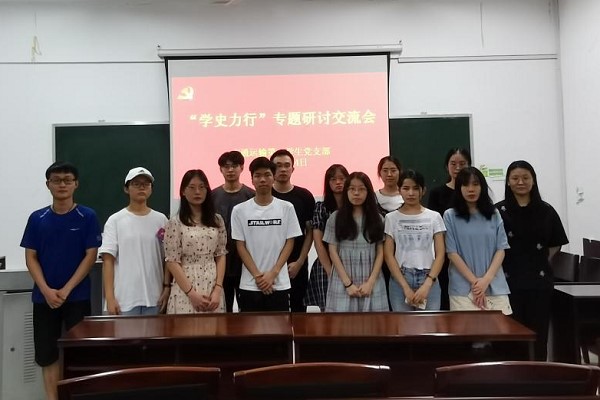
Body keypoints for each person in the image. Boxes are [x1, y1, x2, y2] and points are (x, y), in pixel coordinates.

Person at [20, 161, 102, 400]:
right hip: (44, 298)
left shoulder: (87, 216)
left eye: (67, 180)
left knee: (78, 354)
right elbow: (31, 257)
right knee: (47, 355)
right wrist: (46, 290)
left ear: (76, 184)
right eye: (56, 180)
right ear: (48, 185)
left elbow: (90, 256)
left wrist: (66, 290)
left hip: (77, 297)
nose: (62, 184)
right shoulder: (37, 218)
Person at [496, 160, 568, 360]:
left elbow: (555, 244)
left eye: (525, 178)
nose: (521, 182)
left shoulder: (546, 210)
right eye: (515, 178)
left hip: (539, 283)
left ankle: (539, 372)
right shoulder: (498, 211)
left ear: (533, 180)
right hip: (507, 283)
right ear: (508, 182)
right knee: (510, 334)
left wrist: (538, 260)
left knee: (538, 333)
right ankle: (513, 374)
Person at [231, 157, 302, 312]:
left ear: (274, 177)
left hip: (279, 283)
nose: (262, 179)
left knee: (279, 326)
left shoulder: (287, 207)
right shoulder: (239, 210)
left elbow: (290, 242)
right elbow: (240, 246)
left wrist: (273, 273)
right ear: (252, 179)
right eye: (257, 175)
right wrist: (258, 277)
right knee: (250, 327)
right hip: (250, 284)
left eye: (267, 175)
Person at [99, 167, 170, 315]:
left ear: (151, 189)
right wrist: (110, 297)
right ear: (126, 189)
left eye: (146, 184)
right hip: (124, 300)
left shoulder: (161, 219)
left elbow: (168, 259)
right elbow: (108, 261)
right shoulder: (115, 220)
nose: (142, 187)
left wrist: (166, 287)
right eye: (136, 184)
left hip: (155, 298)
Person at [443, 167, 512, 315]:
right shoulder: (450, 216)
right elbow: (452, 253)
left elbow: (501, 249)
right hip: (462, 288)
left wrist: (485, 280)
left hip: (494, 285)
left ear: (482, 187)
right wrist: (476, 283)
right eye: (465, 185)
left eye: (475, 184)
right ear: (458, 188)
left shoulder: (494, 214)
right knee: (466, 329)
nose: (471, 189)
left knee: (500, 328)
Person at [323, 172, 388, 312]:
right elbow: (333, 251)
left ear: (368, 192)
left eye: (361, 189)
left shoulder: (378, 219)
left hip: (371, 280)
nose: (356, 193)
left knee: (374, 323)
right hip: (343, 280)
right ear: (346, 191)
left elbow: (380, 252)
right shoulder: (335, 218)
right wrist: (348, 284)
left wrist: (370, 283)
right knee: (342, 323)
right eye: (352, 189)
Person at [164, 170, 226, 313]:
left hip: (212, 285)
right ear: (183, 191)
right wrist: (191, 294)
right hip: (186, 287)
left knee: (214, 326)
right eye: (192, 187)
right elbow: (172, 261)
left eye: (202, 187)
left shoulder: (217, 220)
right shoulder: (174, 223)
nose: (197, 192)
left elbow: (221, 255)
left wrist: (217, 289)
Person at [384, 170, 446, 311]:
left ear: (423, 191)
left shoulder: (434, 217)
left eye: (415, 188)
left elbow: (441, 254)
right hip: (400, 278)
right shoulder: (391, 218)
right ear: (399, 190)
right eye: (406, 188)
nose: (411, 193)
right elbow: (388, 254)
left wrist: (427, 284)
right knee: (403, 324)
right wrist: (405, 287)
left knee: (430, 324)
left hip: (429, 277)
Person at [270, 149, 315, 312]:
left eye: (287, 165)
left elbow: (309, 232)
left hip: (297, 263)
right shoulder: (263, 195)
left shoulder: (305, 196)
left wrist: (300, 262)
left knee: (298, 309)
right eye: (278, 165)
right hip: (269, 264)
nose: (283, 169)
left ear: (293, 169)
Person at [427, 148, 472, 310]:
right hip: (444, 256)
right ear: (447, 166)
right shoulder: (437, 193)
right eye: (453, 164)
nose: (457, 168)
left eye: (462, 163)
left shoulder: (473, 192)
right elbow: (432, 227)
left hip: (470, 254)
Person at [211, 151, 255, 312]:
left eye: (234, 166)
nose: (230, 170)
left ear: (242, 168)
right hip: (220, 262)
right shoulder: (212, 196)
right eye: (226, 166)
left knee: (247, 311)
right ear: (220, 169)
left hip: (246, 263)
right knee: (224, 310)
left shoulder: (251, 195)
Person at [305, 164, 349, 311]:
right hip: (325, 265)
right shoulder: (321, 207)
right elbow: (318, 242)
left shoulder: (355, 207)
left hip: (351, 263)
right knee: (328, 312)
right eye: (333, 179)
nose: (338, 182)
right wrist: (330, 271)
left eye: (342, 178)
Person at [375, 156, 403, 310]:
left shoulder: (408, 196)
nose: (389, 174)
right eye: (385, 170)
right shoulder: (372, 198)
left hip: (403, 255)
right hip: (378, 255)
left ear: (400, 172)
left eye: (393, 170)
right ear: (379, 173)